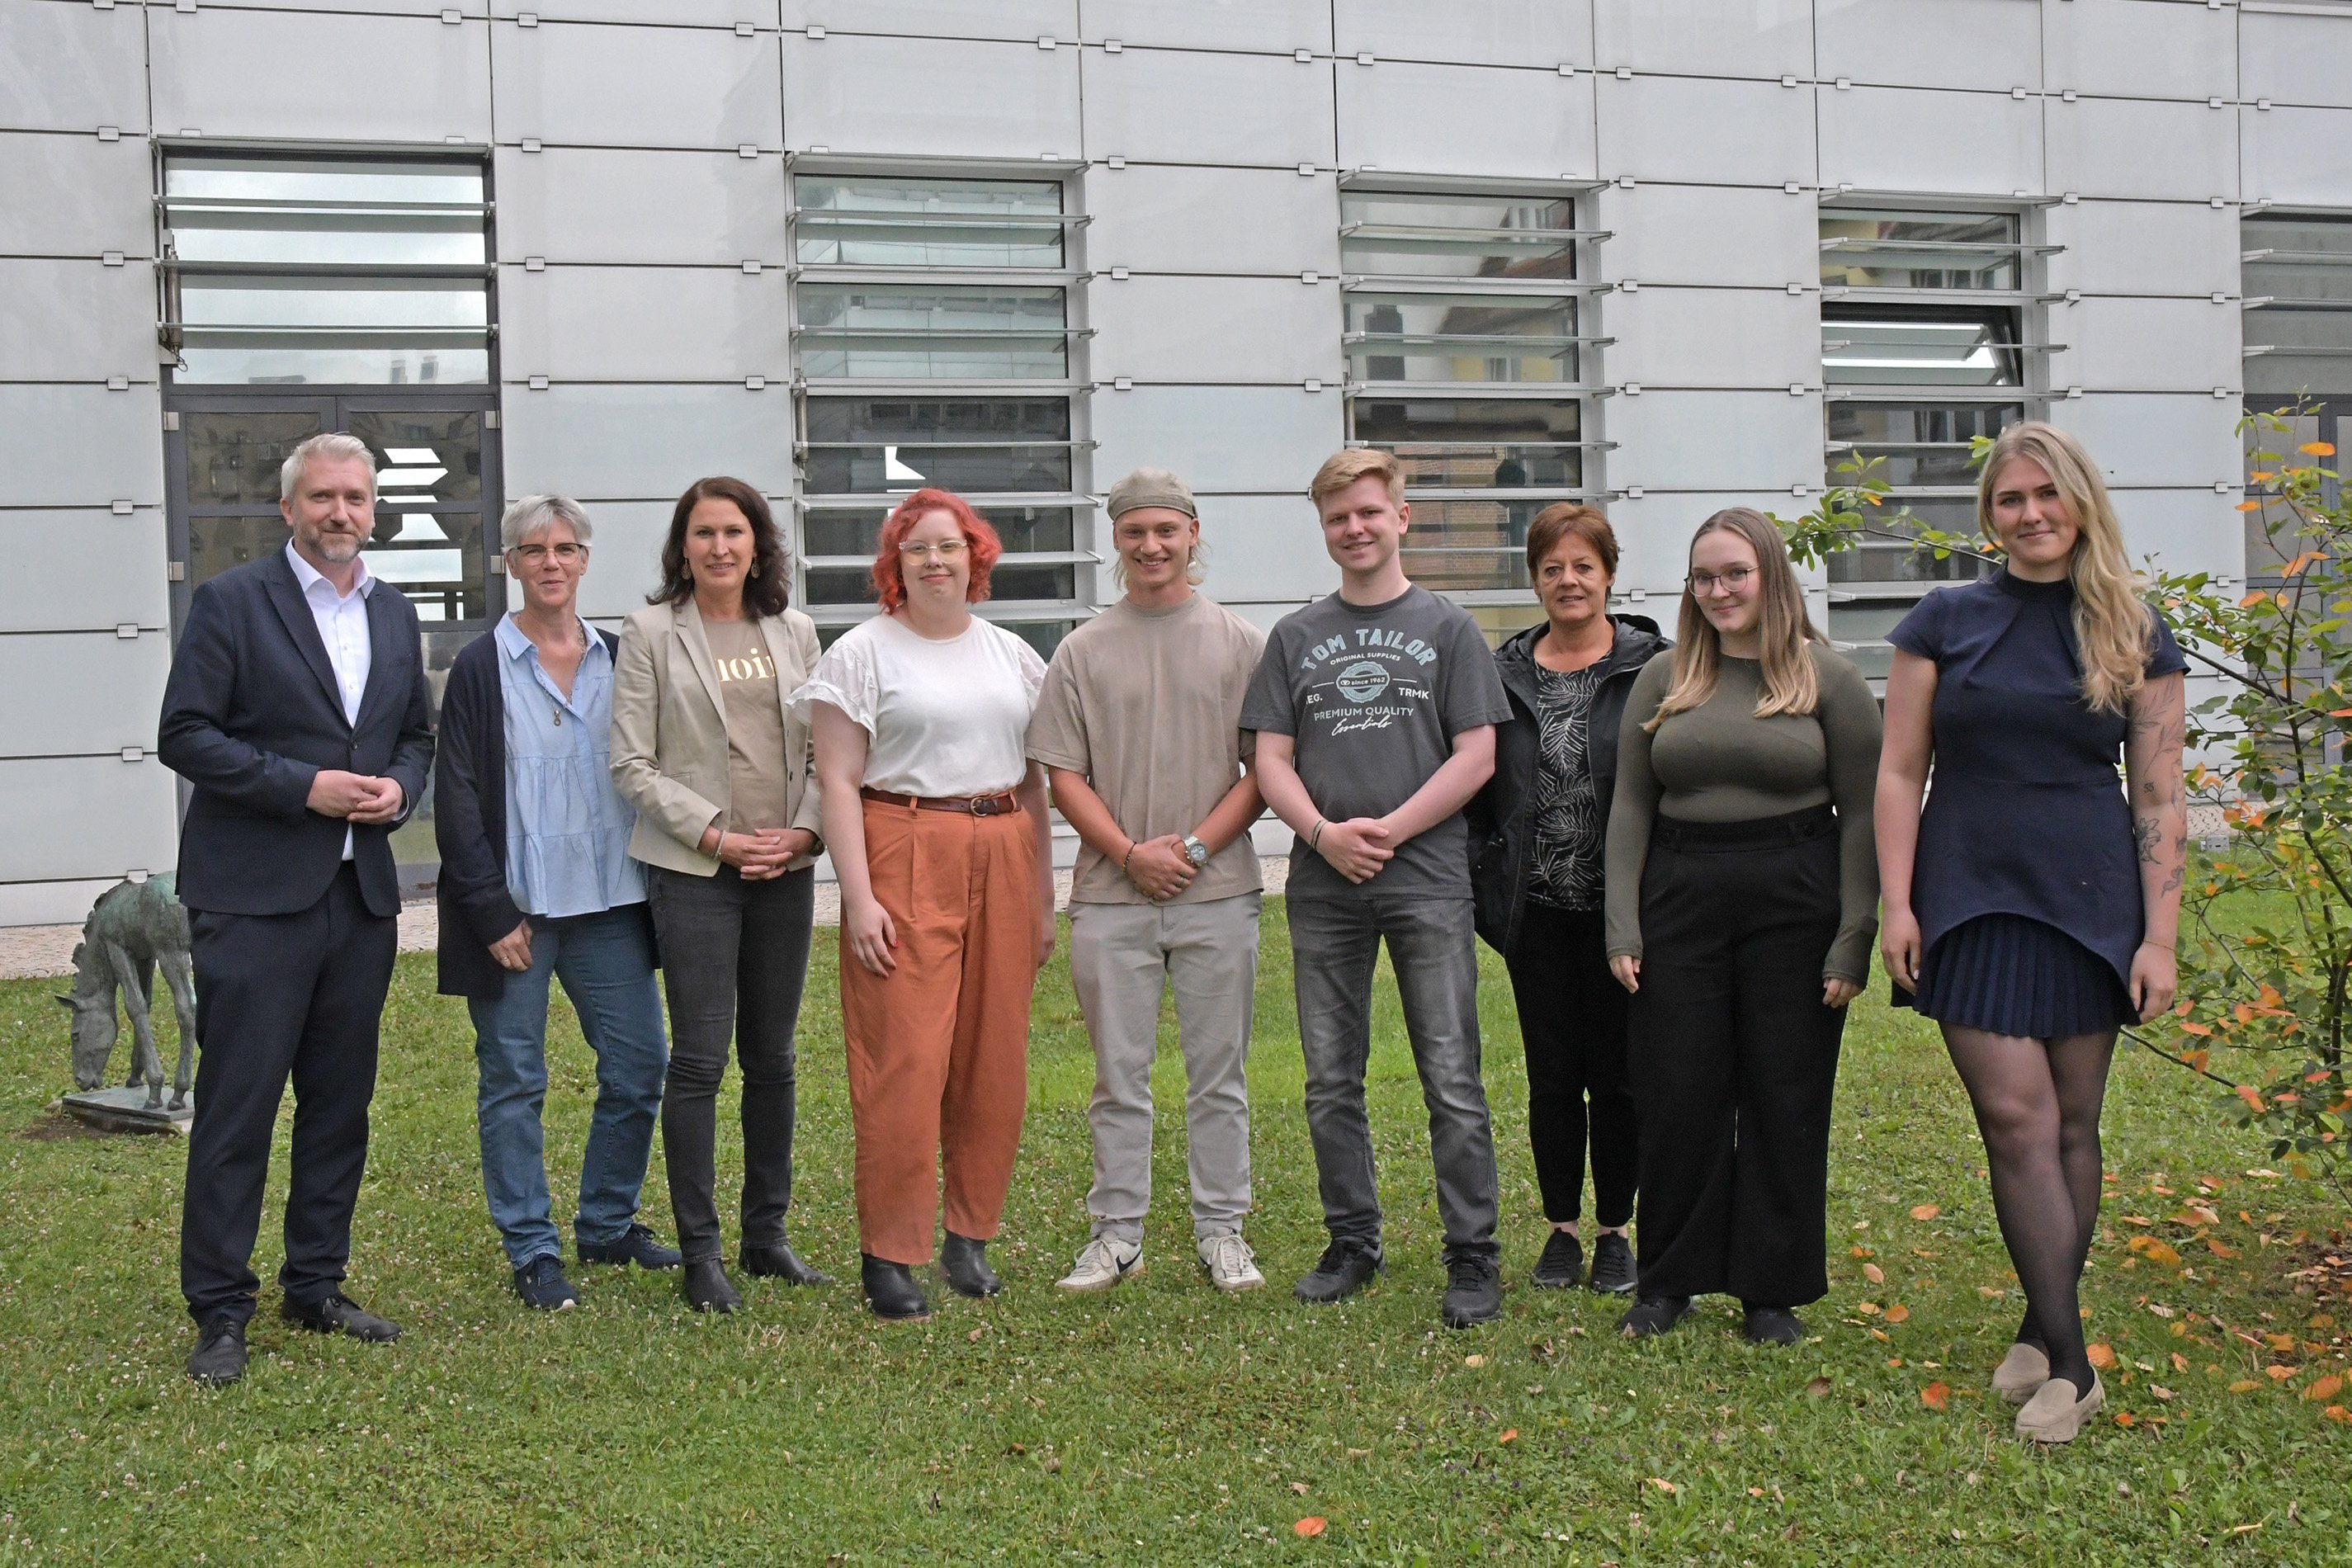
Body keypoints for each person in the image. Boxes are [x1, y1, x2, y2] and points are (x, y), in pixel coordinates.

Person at [1877, 423, 2186, 1444]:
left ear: (2080, 503)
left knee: (2072, 1125)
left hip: (2091, 895)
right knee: (2016, 1119)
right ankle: (2074, 1360)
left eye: (2046, 495)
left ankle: (2034, 1330)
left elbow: (2158, 793)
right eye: (2010, 499)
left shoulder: (2133, 630)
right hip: (1967, 891)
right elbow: (1897, 771)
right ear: (1989, 515)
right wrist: (1898, 900)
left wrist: (2161, 936)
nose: (2030, 514)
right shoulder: (1943, 619)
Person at [158, 431, 435, 1385]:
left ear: (372, 510)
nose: (340, 513)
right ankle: (220, 1309)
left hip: (358, 900)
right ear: (288, 509)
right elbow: (184, 734)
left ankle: (315, 1285)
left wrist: (400, 789)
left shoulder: (397, 615)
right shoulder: (232, 603)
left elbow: (414, 736)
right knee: (239, 1110)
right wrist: (300, 786)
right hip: (254, 901)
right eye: (322, 497)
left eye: (355, 498)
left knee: (338, 1107)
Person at [1241, 449, 1514, 1329]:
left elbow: (1478, 752)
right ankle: (1351, 1240)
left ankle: (1471, 1252)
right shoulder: (1296, 636)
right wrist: (1322, 834)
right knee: (1329, 1076)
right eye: (1336, 518)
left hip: (1427, 877)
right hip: (1325, 882)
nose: (1354, 529)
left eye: (1367, 512)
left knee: (1451, 1071)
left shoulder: (1448, 628)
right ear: (1324, 529)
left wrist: (1392, 830)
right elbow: (1268, 757)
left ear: (1401, 517)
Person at [1604, 508, 1881, 1347]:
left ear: (1771, 575)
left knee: (1783, 1091)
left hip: (1795, 892)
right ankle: (1669, 1280)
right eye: (1704, 576)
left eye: (1735, 573)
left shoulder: (1827, 677)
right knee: (1677, 1089)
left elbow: (1866, 814)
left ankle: (1771, 1289)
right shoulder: (1663, 677)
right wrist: (1622, 924)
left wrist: (1854, 935)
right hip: (1681, 893)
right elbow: (1629, 803)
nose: (1719, 590)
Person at [794, 489, 1056, 1323]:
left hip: (1003, 843)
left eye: (950, 545)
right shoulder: (862, 654)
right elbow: (836, 779)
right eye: (917, 549)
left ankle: (969, 1235)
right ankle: (890, 1253)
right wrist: (858, 896)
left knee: (993, 1056)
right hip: (905, 845)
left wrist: (1044, 895)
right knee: (904, 1059)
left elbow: (1037, 781)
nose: (935, 560)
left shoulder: (1012, 653)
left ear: (977, 556)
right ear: (895, 565)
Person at [1027, 468, 1269, 1296]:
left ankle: (1222, 1227)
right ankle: (1116, 1233)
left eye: (1167, 530)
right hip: (1109, 895)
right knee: (1117, 1074)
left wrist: (1192, 850)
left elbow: (1262, 769)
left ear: (1193, 535)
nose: (1152, 545)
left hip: (1218, 891)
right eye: (1136, 532)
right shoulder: (1083, 651)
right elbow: (1064, 775)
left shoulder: (1241, 643)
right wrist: (1131, 853)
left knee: (1219, 1071)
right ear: (1117, 541)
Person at [435, 495, 678, 1312]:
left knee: (641, 1064)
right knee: (514, 1078)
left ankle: (608, 1225)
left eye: (566, 548)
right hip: (519, 917)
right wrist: (489, 910)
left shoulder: (619, 657)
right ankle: (533, 1248)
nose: (551, 561)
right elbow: (459, 797)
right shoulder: (480, 667)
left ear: (583, 561)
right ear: (511, 563)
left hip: (610, 906)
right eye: (534, 548)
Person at [612, 477, 828, 1314]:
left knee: (772, 1059)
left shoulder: (795, 630)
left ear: (757, 542)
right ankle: (701, 1251)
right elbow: (632, 763)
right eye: (702, 533)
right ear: (682, 546)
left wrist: (804, 834)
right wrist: (716, 834)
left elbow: (825, 752)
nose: (719, 548)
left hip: (787, 870)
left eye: (734, 532)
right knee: (699, 1059)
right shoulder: (652, 633)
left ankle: (765, 1237)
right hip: (698, 872)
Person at [1467, 503, 1667, 1296]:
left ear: (1610, 575)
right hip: (1536, 912)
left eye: (1584, 566)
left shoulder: (1656, 667)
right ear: (1536, 581)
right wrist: (1487, 887)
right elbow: (1479, 787)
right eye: (1552, 568)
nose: (1569, 580)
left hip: (1625, 914)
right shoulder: (1503, 672)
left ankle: (1617, 1231)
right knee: (1553, 1076)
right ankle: (1560, 1229)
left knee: (1618, 1078)